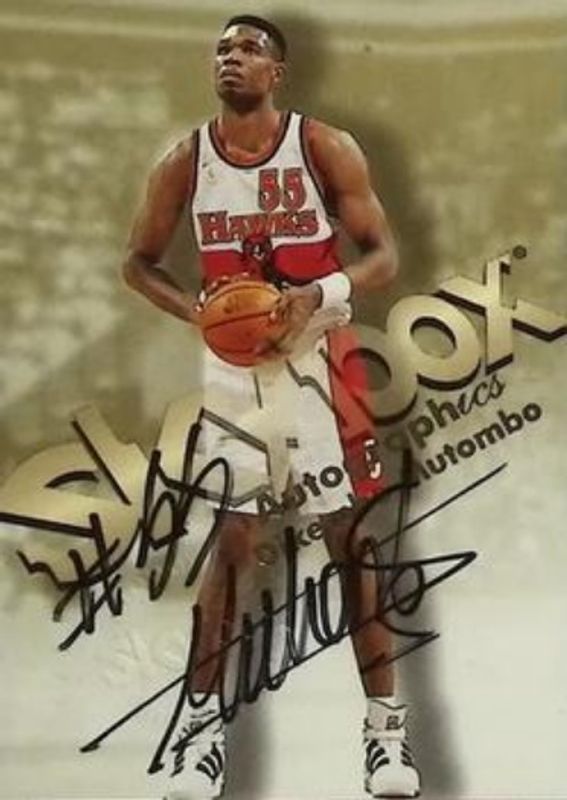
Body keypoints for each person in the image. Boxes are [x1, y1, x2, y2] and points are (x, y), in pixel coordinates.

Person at [123, 14, 421, 800]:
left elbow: (383, 256)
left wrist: (314, 295)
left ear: (276, 72)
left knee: (352, 541)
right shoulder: (184, 160)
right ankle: (199, 738)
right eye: (222, 48)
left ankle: (386, 737)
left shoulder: (323, 146)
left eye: (249, 49)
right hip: (235, 371)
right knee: (231, 546)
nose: (231, 58)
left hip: (322, 355)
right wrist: (198, 311)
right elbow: (138, 263)